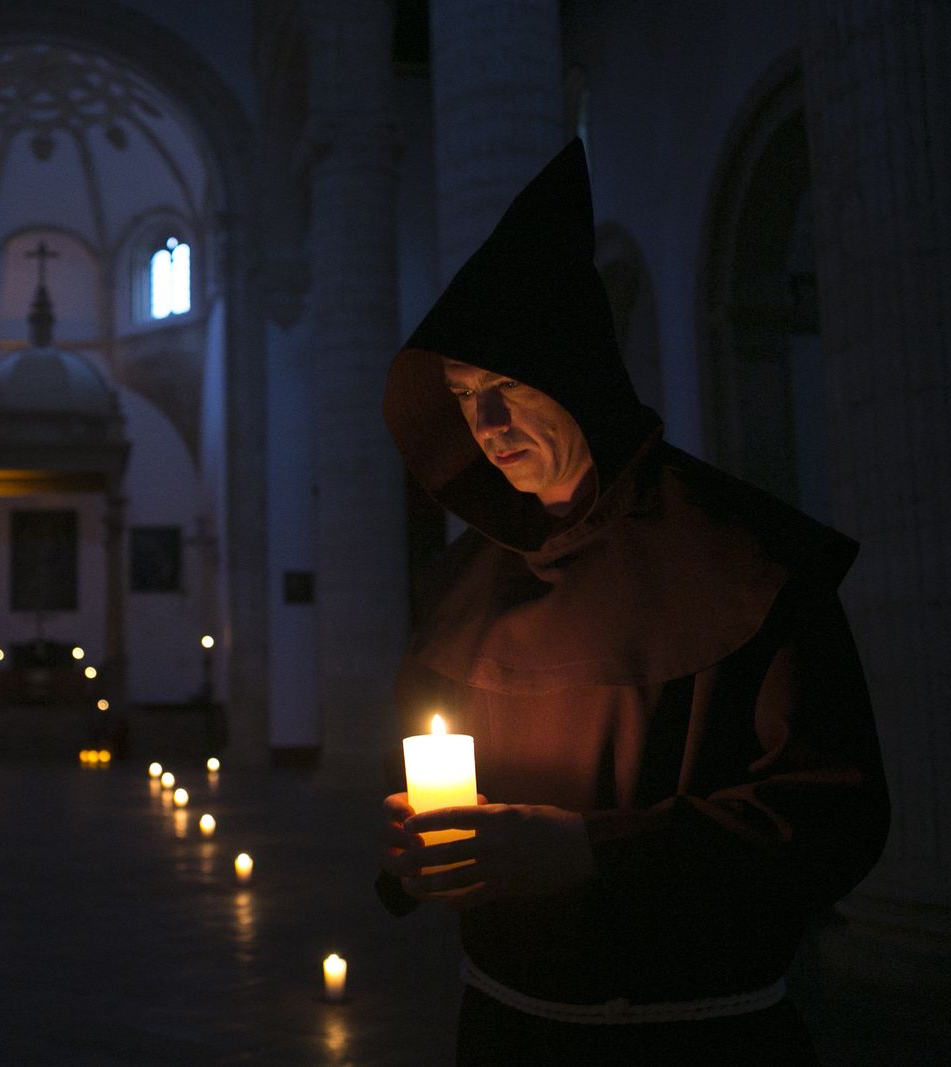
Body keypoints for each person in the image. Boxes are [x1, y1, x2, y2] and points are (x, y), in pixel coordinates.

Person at [374, 139, 890, 1065]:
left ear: (576, 374)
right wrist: (423, 851)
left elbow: (834, 817)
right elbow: (430, 783)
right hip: (503, 1031)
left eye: (505, 388)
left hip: (696, 1037)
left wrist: (589, 851)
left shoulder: (744, 557)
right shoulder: (464, 586)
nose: (485, 428)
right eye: (462, 398)